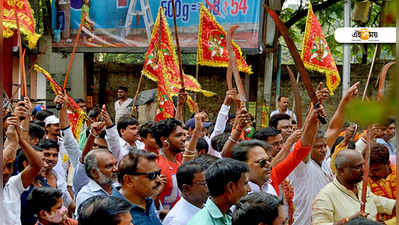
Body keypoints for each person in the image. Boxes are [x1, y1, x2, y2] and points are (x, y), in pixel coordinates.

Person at [312, 150, 396, 224]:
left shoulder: (361, 188)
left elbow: (383, 203)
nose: (363, 170)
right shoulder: (325, 196)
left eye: (363, 165)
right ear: (341, 171)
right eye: (358, 167)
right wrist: (349, 220)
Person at [2, 109, 43, 225]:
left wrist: (20, 140)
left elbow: (37, 165)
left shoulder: (13, 184)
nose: (5, 171)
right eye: (3, 166)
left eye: (9, 166)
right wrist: (11, 143)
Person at [287, 130, 334, 225]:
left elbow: (334, 128)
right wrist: (313, 118)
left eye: (325, 146)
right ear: (308, 149)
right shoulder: (302, 166)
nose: (324, 150)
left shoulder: (325, 163)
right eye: (318, 147)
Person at [187, 158, 251, 225]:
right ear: (230, 187)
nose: (249, 189)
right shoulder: (204, 222)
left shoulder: (227, 215)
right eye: (245, 183)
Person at [113, 150, 162, 225]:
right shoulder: (114, 214)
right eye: (152, 175)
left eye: (158, 173)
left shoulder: (147, 198)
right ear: (129, 180)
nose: (159, 179)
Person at [152, 118, 186, 209]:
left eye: (184, 134)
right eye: (178, 135)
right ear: (164, 140)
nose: (184, 138)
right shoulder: (155, 166)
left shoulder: (179, 164)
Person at [163, 159, 209, 225]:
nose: (209, 188)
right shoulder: (178, 221)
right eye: (204, 184)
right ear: (186, 189)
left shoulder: (203, 206)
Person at [74, 149, 118, 217]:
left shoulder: (118, 187)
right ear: (94, 172)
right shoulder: (86, 196)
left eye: (115, 164)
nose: (115, 169)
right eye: (109, 166)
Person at [368, 143, 396, 222]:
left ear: (387, 164)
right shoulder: (364, 182)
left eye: (375, 170)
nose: (370, 174)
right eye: (368, 170)